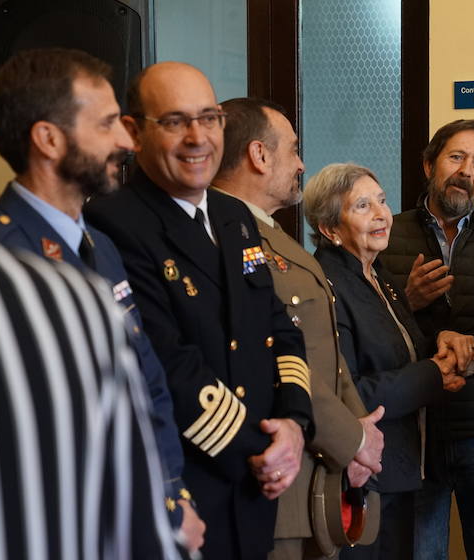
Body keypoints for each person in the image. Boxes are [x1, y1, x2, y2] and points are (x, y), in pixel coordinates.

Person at [0, 40, 182, 559]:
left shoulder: (101, 245)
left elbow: (146, 382)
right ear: (48, 139)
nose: (127, 141)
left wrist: (172, 499)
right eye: (106, 124)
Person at [85, 62, 314, 560]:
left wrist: (295, 424)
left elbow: (279, 330)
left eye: (209, 118)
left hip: (256, 491)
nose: (197, 137)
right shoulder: (112, 222)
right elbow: (168, 364)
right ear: (133, 132)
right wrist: (263, 449)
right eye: (174, 121)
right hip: (189, 491)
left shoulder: (234, 216)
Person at [211, 97, 386, 559]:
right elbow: (275, 355)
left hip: (319, 474)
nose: (302, 164)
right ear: (259, 155)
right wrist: (352, 439)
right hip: (282, 481)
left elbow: (325, 349)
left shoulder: (272, 234)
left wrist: (359, 430)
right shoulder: (226, 234)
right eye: (292, 149)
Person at [304, 163, 474, 560]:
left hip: (400, 470)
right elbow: (350, 392)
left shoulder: (378, 275)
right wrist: (434, 374)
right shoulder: (327, 284)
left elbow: (397, 348)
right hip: (362, 477)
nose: (381, 214)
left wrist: (439, 340)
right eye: (362, 206)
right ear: (331, 229)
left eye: (381, 201)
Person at [379, 119, 474, 560]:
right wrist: (409, 300)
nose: (466, 170)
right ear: (428, 165)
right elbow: (362, 336)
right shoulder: (384, 236)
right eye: (456, 157)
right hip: (412, 433)